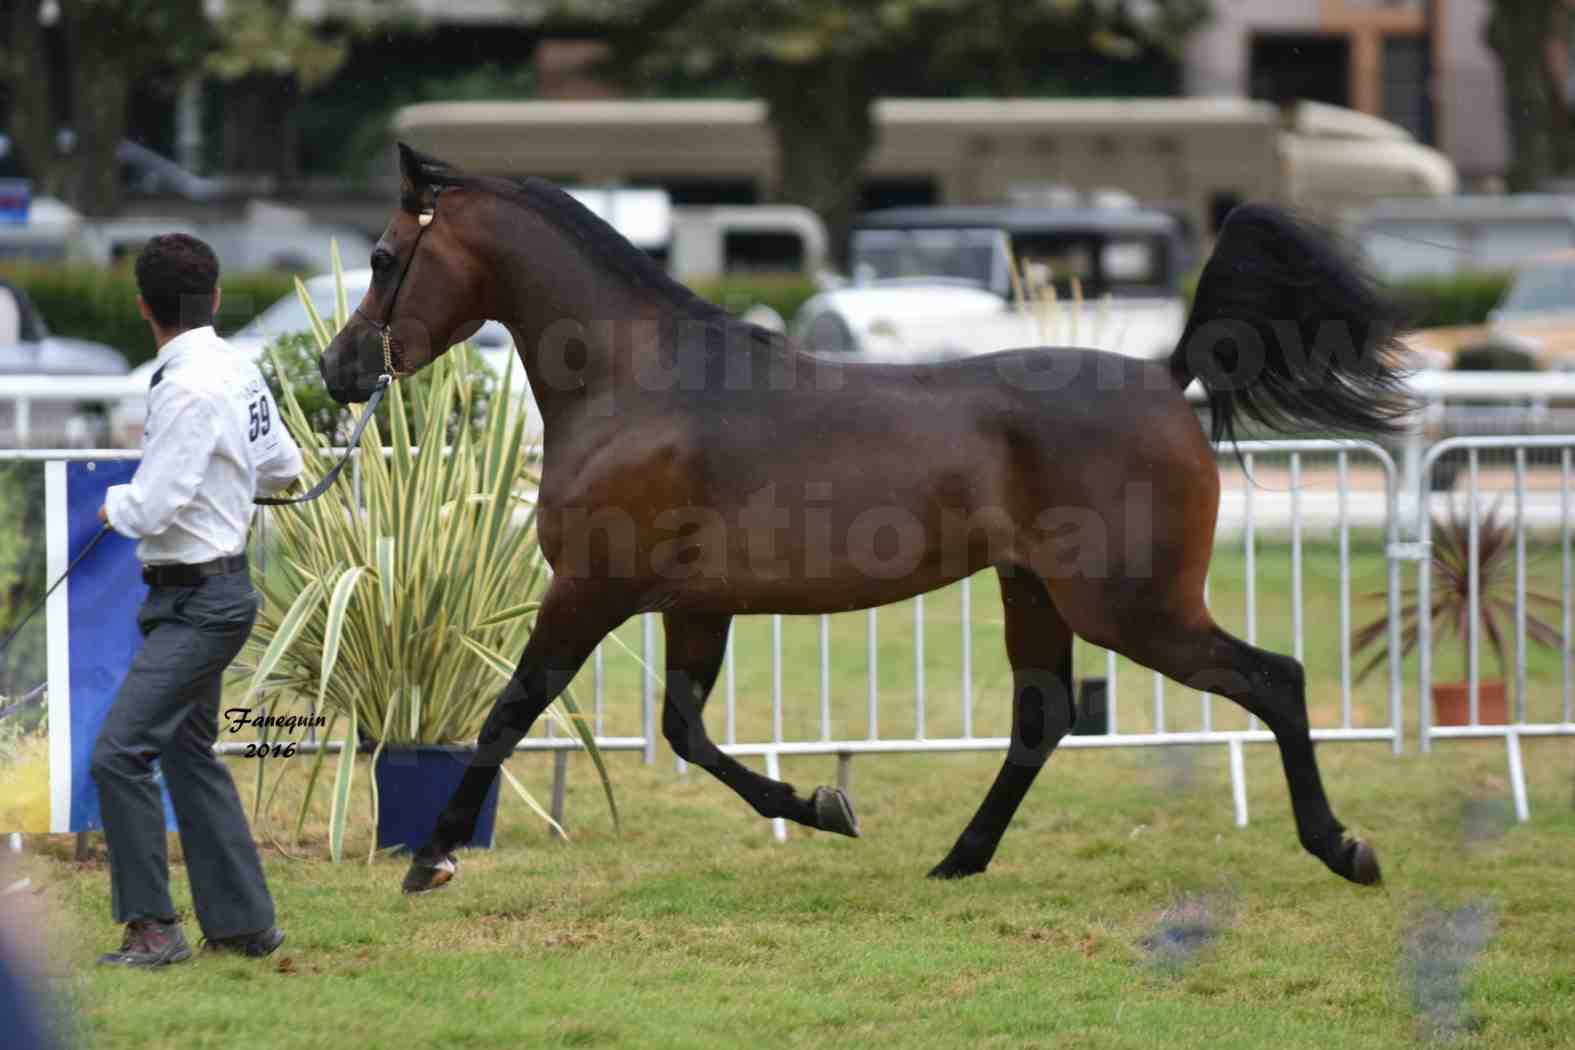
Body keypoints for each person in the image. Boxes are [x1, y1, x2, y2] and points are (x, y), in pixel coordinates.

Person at [91, 234, 303, 967]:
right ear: (213, 297)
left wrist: (111, 506)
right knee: (187, 754)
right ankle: (244, 925)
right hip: (211, 591)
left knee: (119, 754)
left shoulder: (184, 385)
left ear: (144, 306)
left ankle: (154, 929)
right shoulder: (236, 369)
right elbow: (284, 465)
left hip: (199, 602)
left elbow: (153, 506)